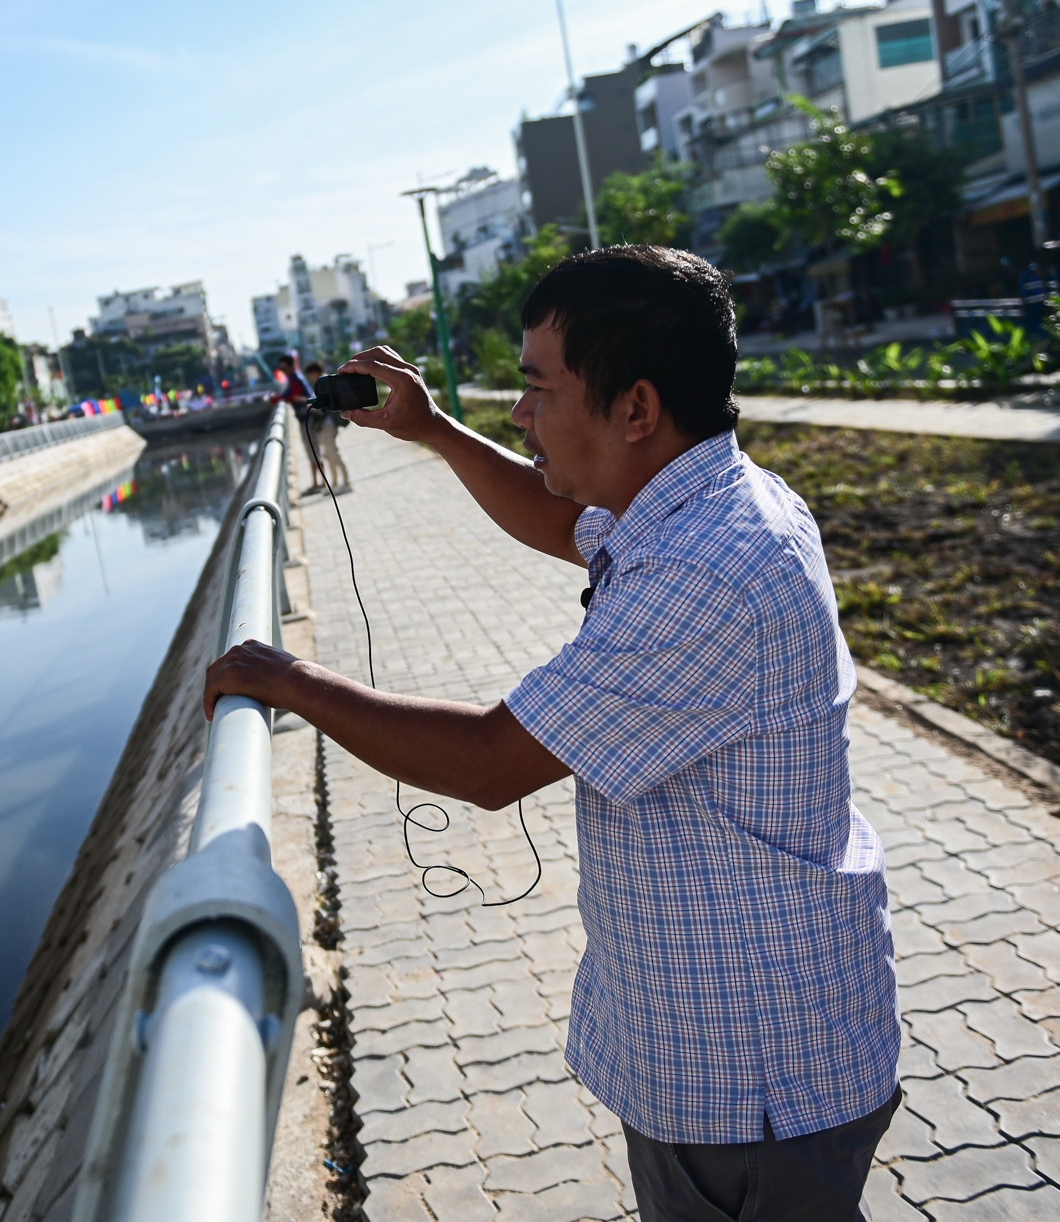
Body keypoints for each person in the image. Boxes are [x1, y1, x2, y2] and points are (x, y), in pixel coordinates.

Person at [207, 246, 898, 1221]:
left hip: (756, 1075)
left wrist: (288, 680)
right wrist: (431, 430)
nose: (520, 414)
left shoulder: (705, 570)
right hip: (744, 1040)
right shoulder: (698, 499)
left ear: (634, 409)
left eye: (537, 389)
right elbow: (552, 516)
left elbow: (489, 761)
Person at [272, 352, 325, 492]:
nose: (282, 371)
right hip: (306, 419)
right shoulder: (296, 379)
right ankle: (317, 482)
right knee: (312, 451)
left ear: (290, 367)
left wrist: (273, 399)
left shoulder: (295, 380)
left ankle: (322, 483)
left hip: (308, 420)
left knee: (314, 451)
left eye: (284, 369)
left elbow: (288, 397)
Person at [303, 360, 351, 492]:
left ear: (314, 373)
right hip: (324, 425)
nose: (309, 378)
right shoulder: (322, 382)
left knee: (334, 454)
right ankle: (335, 484)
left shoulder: (325, 383)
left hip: (328, 424)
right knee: (328, 455)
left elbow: (327, 405)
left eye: (310, 375)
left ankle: (346, 483)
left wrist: (312, 406)